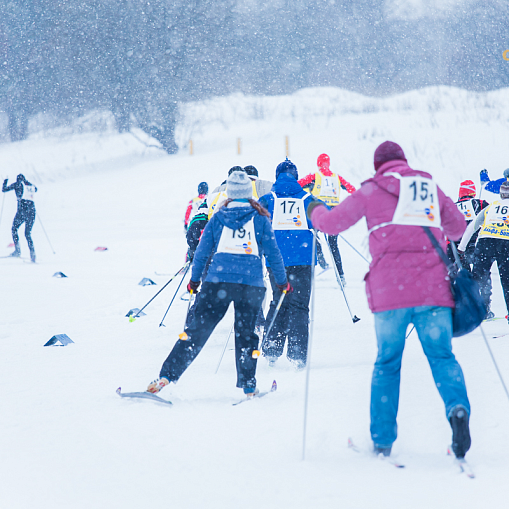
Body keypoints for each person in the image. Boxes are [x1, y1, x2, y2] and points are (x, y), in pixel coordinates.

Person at [306, 141, 471, 461]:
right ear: (404, 162)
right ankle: (458, 410)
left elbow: (331, 224)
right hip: (433, 293)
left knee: (387, 364)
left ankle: (382, 440)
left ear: (378, 165)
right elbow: (458, 229)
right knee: (442, 358)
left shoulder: (370, 190)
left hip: (389, 294)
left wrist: (314, 208)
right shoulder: (428, 187)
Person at [147, 170, 288, 397]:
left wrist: (194, 280)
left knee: (196, 332)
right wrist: (282, 282)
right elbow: (274, 254)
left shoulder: (218, 217)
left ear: (229, 193)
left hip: (217, 283)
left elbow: (201, 253)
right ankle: (249, 385)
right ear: (249, 193)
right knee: (246, 335)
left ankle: (166, 376)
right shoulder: (260, 218)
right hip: (250, 285)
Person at [259, 159, 323, 369]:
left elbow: (256, 220)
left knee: (279, 301)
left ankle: (271, 350)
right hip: (303, 260)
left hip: (276, 259)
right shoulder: (307, 198)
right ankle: (297, 354)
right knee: (299, 305)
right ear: (296, 177)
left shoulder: (269, 198)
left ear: (277, 177)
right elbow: (323, 219)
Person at [298, 153, 356, 285]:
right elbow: (352, 189)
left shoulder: (315, 176)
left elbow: (297, 185)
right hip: (335, 214)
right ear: (328, 163)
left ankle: (320, 261)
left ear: (318, 164)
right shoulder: (337, 178)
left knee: (312, 236)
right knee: (334, 245)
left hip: (319, 211)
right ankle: (341, 276)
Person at [458, 181, 509, 323]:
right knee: (507, 279)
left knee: (479, 277)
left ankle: (480, 311)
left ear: (501, 194)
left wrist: (461, 248)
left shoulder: (492, 206)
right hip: (505, 241)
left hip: (485, 241)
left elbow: (472, 227)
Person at [448, 179, 489, 270]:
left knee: (452, 273)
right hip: (473, 244)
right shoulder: (480, 204)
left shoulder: (452, 206)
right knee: (477, 274)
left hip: (453, 246)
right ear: (473, 192)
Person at [2, 174, 37, 262]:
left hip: (22, 212)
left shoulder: (17, 184)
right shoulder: (30, 186)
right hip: (32, 212)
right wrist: (27, 182)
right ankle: (33, 255)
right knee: (28, 234)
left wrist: (5, 180)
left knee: (14, 229)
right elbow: (36, 189)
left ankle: (17, 251)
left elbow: (4, 189)